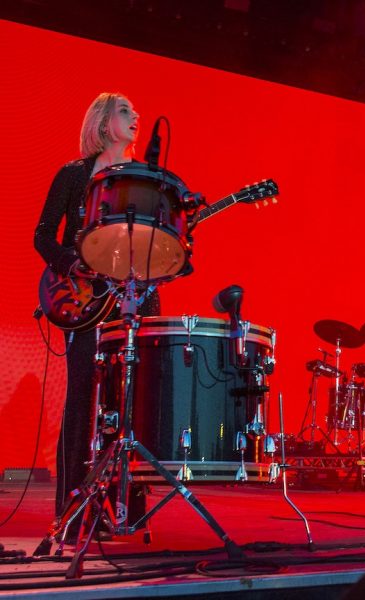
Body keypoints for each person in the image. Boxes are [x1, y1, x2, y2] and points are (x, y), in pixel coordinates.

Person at [34, 92, 160, 521]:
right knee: (82, 398)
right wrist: (74, 265)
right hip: (83, 302)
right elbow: (44, 235)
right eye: (127, 110)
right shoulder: (74, 175)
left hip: (130, 299)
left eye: (135, 109)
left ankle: (122, 510)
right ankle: (70, 512)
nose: (136, 115)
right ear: (104, 123)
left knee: (129, 404)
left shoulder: (143, 178)